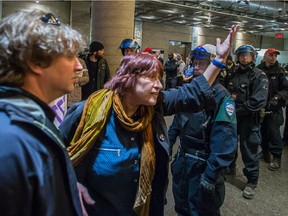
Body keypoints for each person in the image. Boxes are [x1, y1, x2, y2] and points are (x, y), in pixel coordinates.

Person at [59, 25, 239, 216]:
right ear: (129, 79)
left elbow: (192, 92)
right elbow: (53, 161)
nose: (159, 85)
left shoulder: (152, 107)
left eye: (159, 78)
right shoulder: (86, 113)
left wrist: (219, 60)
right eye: (151, 78)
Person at [0, 9, 94, 216]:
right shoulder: (10, 139)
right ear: (35, 62)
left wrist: (63, 187)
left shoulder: (28, 120)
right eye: (70, 56)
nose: (79, 66)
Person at [168, 44, 237, 216]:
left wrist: (211, 175)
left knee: (201, 210)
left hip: (203, 164)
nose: (196, 67)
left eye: (202, 63)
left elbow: (225, 142)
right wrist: (167, 147)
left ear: (214, 66)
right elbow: (176, 123)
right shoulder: (190, 92)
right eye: (195, 62)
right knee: (181, 205)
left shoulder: (222, 97)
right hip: (183, 159)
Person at [225, 45, 269, 199]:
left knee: (249, 149)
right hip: (231, 117)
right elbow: (225, 92)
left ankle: (251, 181)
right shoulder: (232, 73)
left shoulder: (259, 75)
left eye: (247, 55)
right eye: (241, 55)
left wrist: (238, 112)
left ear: (253, 57)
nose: (244, 58)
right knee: (229, 144)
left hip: (248, 119)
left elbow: (258, 100)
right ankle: (229, 167)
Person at [257, 48, 288, 170]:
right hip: (261, 107)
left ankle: (276, 157)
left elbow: (286, 89)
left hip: (274, 108)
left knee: (273, 132)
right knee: (262, 132)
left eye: (275, 55)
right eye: (271, 55)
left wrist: (277, 97)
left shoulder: (279, 72)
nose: (273, 57)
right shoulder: (259, 70)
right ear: (265, 56)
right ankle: (265, 153)